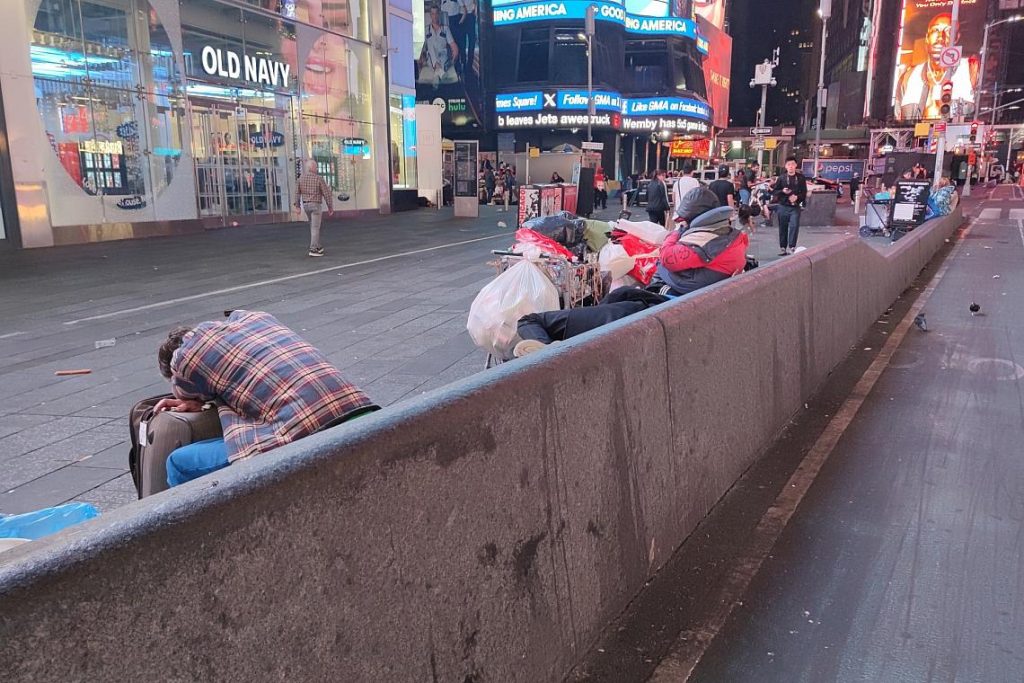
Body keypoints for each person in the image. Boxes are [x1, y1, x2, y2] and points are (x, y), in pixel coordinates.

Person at [155, 310, 379, 487]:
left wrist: (192, 399)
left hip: (309, 438)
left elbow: (182, 392)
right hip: (367, 416)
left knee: (179, 464)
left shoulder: (185, 358)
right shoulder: (257, 319)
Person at [650, 198, 749, 297]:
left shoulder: (702, 243)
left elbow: (665, 257)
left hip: (696, 291)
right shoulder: (734, 236)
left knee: (660, 267)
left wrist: (678, 231)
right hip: (718, 282)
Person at [894, 12, 979, 120]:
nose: (940, 37)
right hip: (916, 136)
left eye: (948, 31)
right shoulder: (908, 77)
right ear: (927, 37)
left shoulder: (970, 69)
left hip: (955, 136)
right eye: (935, 30)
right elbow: (898, 121)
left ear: (957, 37)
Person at [294, 159, 334, 257]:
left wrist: (298, 206)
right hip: (316, 205)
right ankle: (313, 248)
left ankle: (318, 246)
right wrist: (330, 207)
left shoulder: (301, 178)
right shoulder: (318, 178)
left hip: (306, 205)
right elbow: (326, 193)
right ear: (312, 168)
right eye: (316, 167)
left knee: (313, 225)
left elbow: (297, 193)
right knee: (315, 227)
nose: (317, 168)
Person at [771, 157, 807, 256]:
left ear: (796, 165)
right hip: (783, 206)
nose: (791, 166)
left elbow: (804, 193)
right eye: (789, 164)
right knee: (783, 227)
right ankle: (783, 247)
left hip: (795, 207)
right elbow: (774, 191)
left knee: (794, 226)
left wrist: (797, 197)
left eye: (792, 164)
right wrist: (782, 191)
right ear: (786, 166)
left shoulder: (800, 178)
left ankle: (792, 246)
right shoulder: (782, 178)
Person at [419, 5, 459, 86]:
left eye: (437, 13)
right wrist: (421, 61)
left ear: (439, 14)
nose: (435, 16)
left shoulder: (445, 29)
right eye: (433, 14)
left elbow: (454, 46)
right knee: (430, 44)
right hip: (430, 60)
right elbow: (420, 49)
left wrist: (453, 61)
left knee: (435, 50)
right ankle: (439, 72)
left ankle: (437, 74)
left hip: (443, 59)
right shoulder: (426, 30)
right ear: (430, 15)